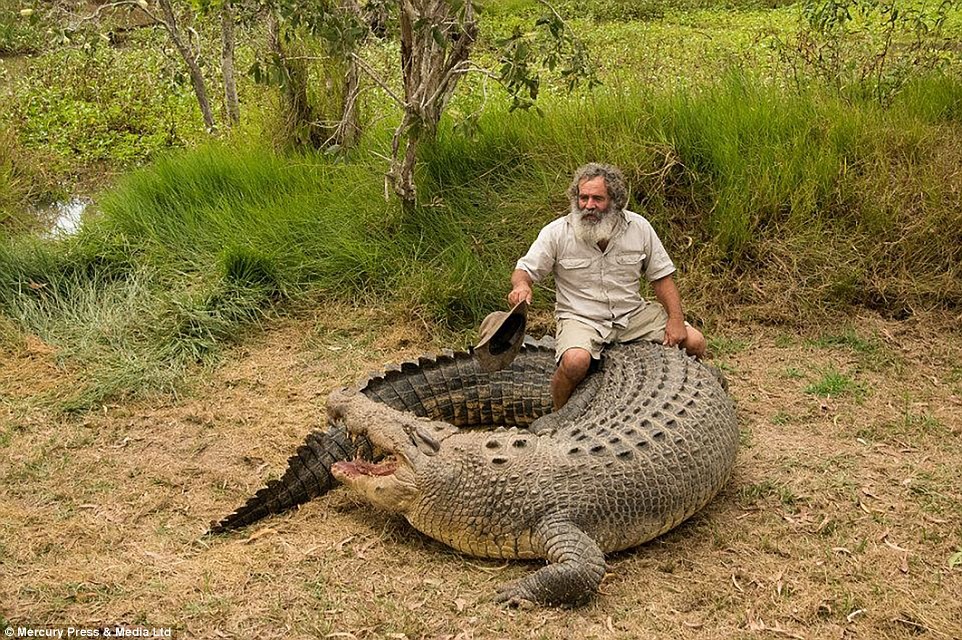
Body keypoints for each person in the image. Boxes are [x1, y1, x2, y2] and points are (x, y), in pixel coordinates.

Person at [508, 163, 706, 410]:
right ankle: (559, 415)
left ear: (615, 200)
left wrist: (676, 318)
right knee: (574, 362)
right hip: (582, 317)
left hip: (631, 315)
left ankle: (692, 405)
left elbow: (661, 278)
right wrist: (522, 286)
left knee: (695, 342)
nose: (588, 205)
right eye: (583, 197)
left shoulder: (639, 227)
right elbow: (524, 270)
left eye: (597, 198)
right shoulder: (557, 232)